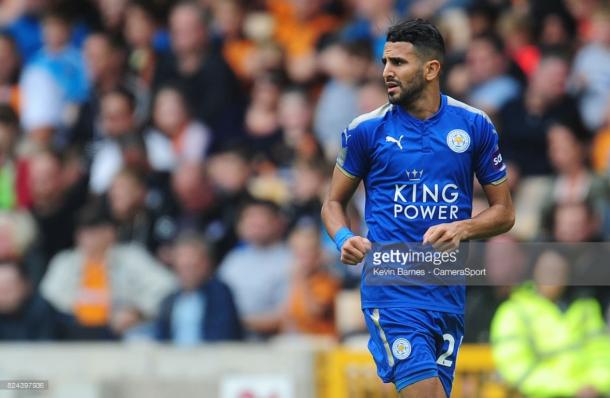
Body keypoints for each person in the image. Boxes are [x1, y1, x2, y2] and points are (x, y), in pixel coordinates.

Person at [321, 19, 514, 397]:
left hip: (446, 293)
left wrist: (463, 228)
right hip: (391, 291)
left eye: (398, 63)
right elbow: (332, 202)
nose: (386, 72)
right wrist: (343, 236)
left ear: (431, 69)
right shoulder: (366, 130)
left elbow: (504, 212)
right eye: (384, 62)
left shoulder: (474, 125)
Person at [40, 203, 176, 340]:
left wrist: (138, 312)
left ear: (111, 233)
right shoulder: (64, 262)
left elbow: (167, 288)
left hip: (121, 335)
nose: (89, 238)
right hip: (73, 334)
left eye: (95, 232)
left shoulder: (133, 258)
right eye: (84, 232)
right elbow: (47, 303)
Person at [491, 250, 610, 397]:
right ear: (534, 272)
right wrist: (572, 389)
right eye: (547, 270)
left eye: (560, 271)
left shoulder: (586, 307)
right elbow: (517, 368)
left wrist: (596, 385)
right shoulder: (513, 311)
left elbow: (602, 354)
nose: (554, 276)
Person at [155, 232, 242, 345]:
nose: (186, 264)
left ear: (207, 263)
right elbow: (161, 339)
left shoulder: (220, 294)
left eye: (192, 263)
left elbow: (223, 335)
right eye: (182, 261)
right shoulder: (169, 300)